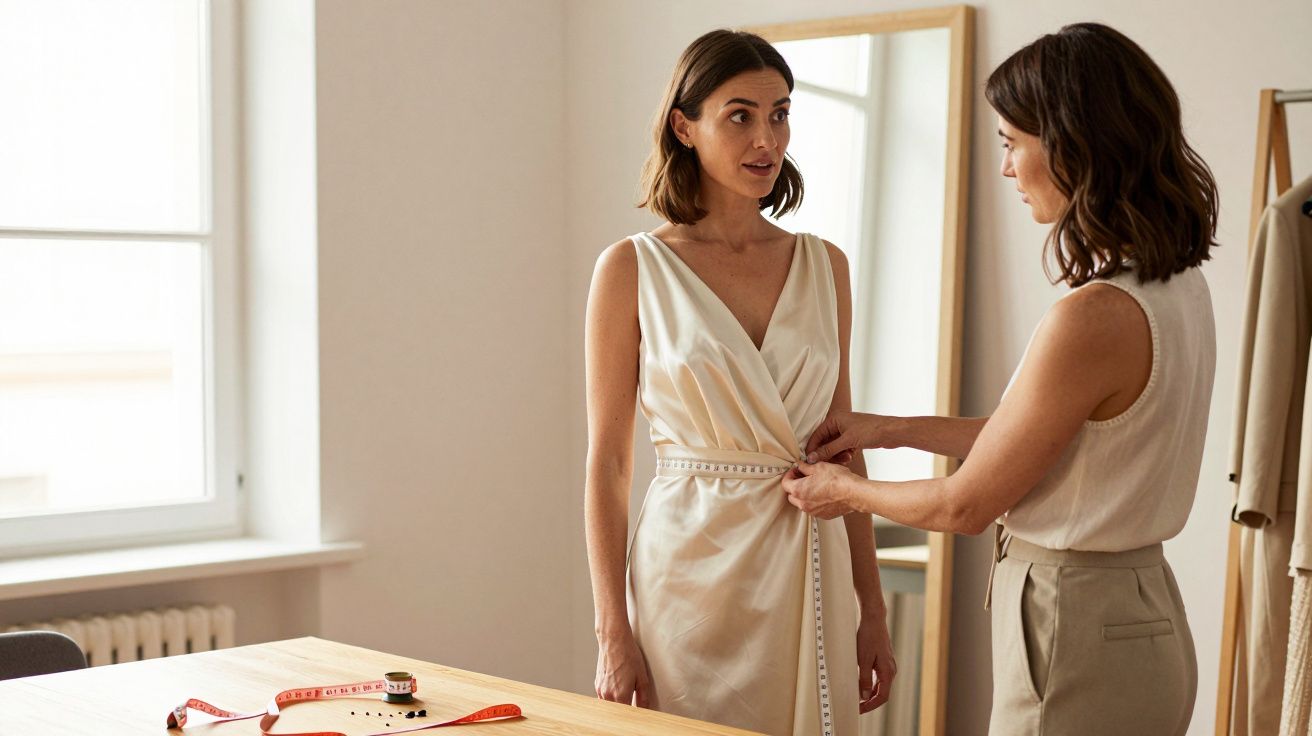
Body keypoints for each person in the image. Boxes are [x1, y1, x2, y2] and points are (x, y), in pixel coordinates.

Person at [781, 22, 1219, 735]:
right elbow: (1038, 442)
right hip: (1142, 612)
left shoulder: (1093, 317)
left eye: (1013, 142)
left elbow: (965, 506)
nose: (1008, 168)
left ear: (1076, 145)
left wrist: (842, 490)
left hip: (1074, 625)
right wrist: (887, 430)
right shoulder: (1174, 287)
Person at [583, 29, 895, 735]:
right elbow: (608, 466)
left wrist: (870, 608)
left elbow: (844, 446)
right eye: (741, 115)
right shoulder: (631, 270)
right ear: (683, 126)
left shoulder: (826, 266)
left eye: (780, 113)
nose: (767, 139)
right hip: (687, 578)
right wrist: (613, 630)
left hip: (807, 560)